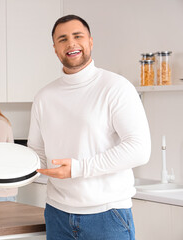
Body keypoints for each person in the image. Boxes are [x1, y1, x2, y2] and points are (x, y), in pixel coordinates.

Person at [27, 15, 151, 239]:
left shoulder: (115, 87)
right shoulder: (44, 97)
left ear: (90, 41)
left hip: (107, 215)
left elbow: (139, 149)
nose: (71, 43)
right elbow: (37, 157)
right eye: (62, 39)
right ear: (55, 49)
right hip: (57, 214)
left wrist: (78, 168)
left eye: (78, 36)